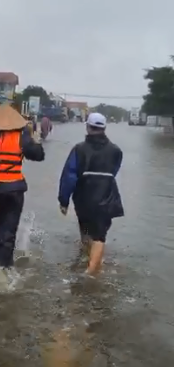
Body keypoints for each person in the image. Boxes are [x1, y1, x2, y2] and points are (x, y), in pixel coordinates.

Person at [0, 103, 45, 268]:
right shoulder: (21, 135)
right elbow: (38, 155)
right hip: (13, 190)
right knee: (8, 231)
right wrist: (35, 138)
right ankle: (2, 270)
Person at [58, 112, 123, 275]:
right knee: (100, 235)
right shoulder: (116, 150)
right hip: (107, 196)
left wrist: (63, 201)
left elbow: (69, 176)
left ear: (87, 127)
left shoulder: (78, 149)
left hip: (84, 197)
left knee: (86, 231)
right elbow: (113, 172)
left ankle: (89, 267)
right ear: (104, 128)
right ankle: (92, 270)